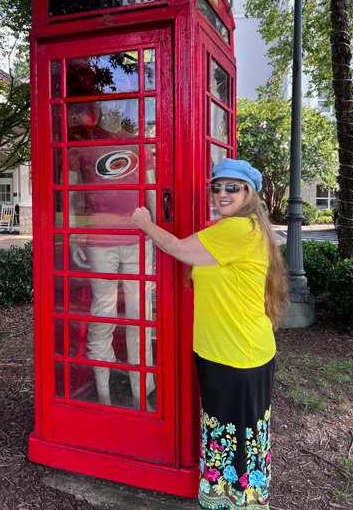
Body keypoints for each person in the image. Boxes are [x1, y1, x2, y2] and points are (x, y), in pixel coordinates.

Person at [132, 158, 288, 510]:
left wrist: (146, 223)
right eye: (215, 187)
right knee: (236, 436)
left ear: (249, 193)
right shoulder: (240, 228)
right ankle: (234, 500)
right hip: (227, 351)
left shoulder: (237, 230)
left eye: (232, 187)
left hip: (236, 355)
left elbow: (178, 248)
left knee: (235, 438)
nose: (221, 193)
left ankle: (238, 503)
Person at [69, 99, 156, 408]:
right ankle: (103, 394)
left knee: (139, 316)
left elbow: (152, 190)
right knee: (101, 315)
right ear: (99, 109)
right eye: (108, 104)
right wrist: (72, 236)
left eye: (122, 105)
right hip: (99, 239)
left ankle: (140, 394)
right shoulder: (80, 145)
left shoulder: (140, 143)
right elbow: (71, 195)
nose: (116, 109)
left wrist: (156, 236)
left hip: (138, 237)